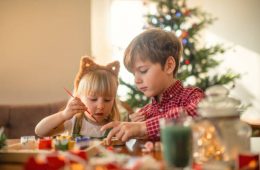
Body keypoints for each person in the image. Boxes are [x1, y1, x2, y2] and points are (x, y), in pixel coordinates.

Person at [101, 28, 204, 143]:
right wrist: (136, 129)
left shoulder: (191, 96)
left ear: (169, 66)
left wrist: (144, 127)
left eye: (143, 70)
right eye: (134, 73)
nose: (137, 80)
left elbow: (200, 110)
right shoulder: (146, 112)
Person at [35, 56, 120, 138]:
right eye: (93, 99)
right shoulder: (73, 122)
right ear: (79, 98)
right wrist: (63, 115)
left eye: (107, 100)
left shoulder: (116, 126)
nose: (101, 106)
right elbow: (39, 131)